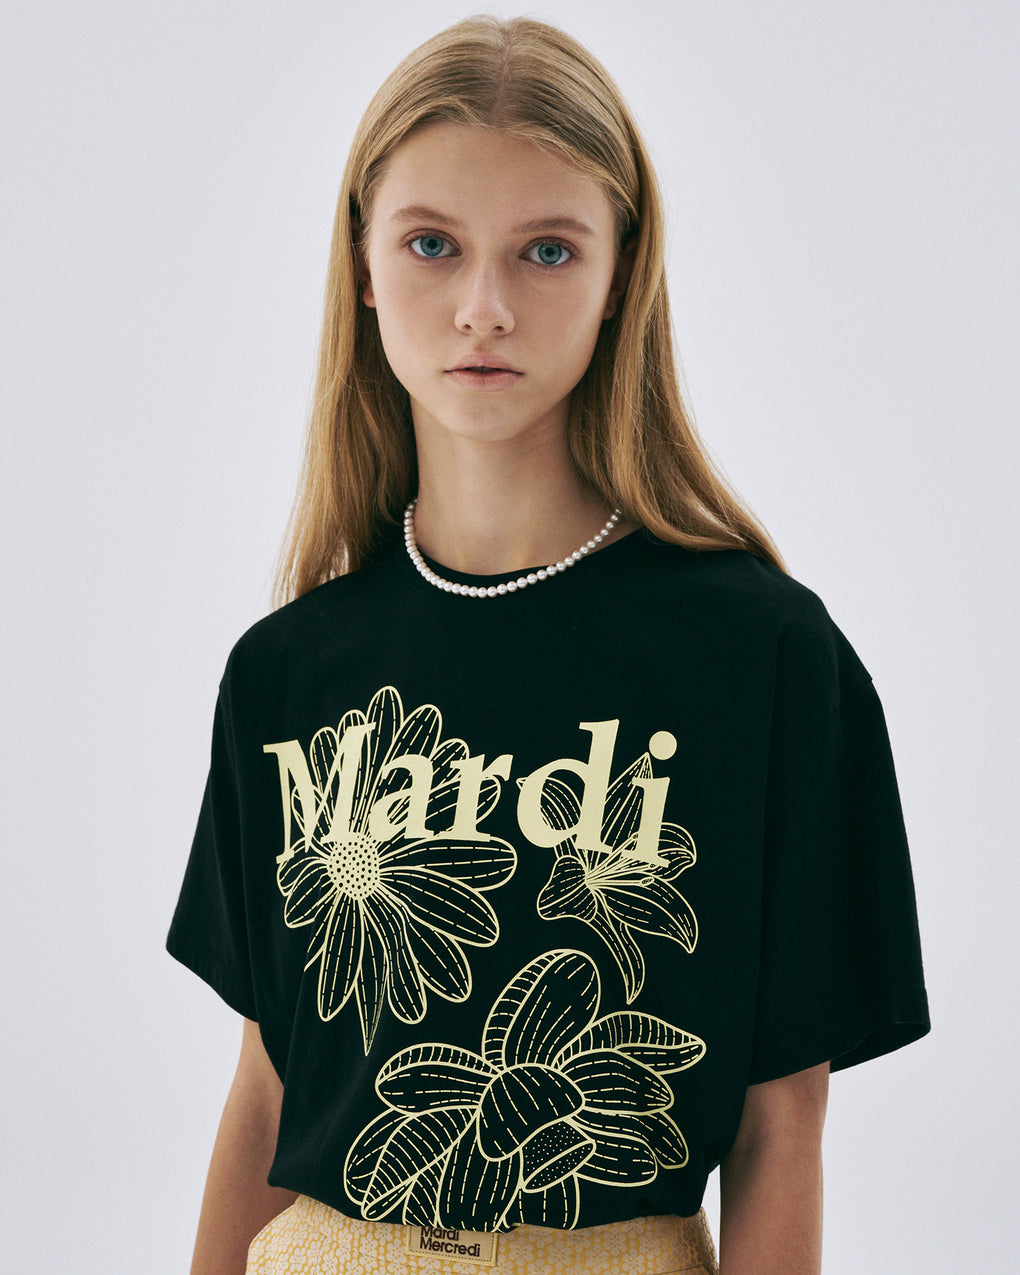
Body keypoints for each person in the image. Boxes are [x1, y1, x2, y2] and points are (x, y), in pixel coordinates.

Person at [167, 15, 930, 1274]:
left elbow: (782, 1124)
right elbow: (265, 1091)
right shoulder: (283, 675)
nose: (484, 308)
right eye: (431, 244)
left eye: (547, 251)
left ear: (622, 273)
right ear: (363, 265)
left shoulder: (766, 660)